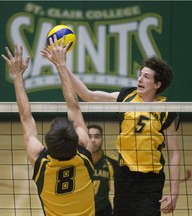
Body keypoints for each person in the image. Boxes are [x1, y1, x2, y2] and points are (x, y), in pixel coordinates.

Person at [59, 53, 180, 215]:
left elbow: (174, 154)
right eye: (140, 75)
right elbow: (88, 95)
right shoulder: (126, 97)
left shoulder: (166, 111)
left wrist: (174, 192)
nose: (140, 80)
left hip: (150, 179)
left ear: (157, 84)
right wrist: (63, 66)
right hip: (124, 176)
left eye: (146, 77)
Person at [1, 40, 95, 216]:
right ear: (76, 140)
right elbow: (73, 106)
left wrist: (17, 77)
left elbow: (25, 117)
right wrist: (61, 64)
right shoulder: (85, 152)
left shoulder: (40, 161)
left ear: (48, 143)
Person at [88, 124, 119, 216]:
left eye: (97, 137)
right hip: (83, 210)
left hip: (104, 211)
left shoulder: (111, 161)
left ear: (102, 139)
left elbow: (123, 186)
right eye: (89, 137)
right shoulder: (78, 161)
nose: (93, 140)